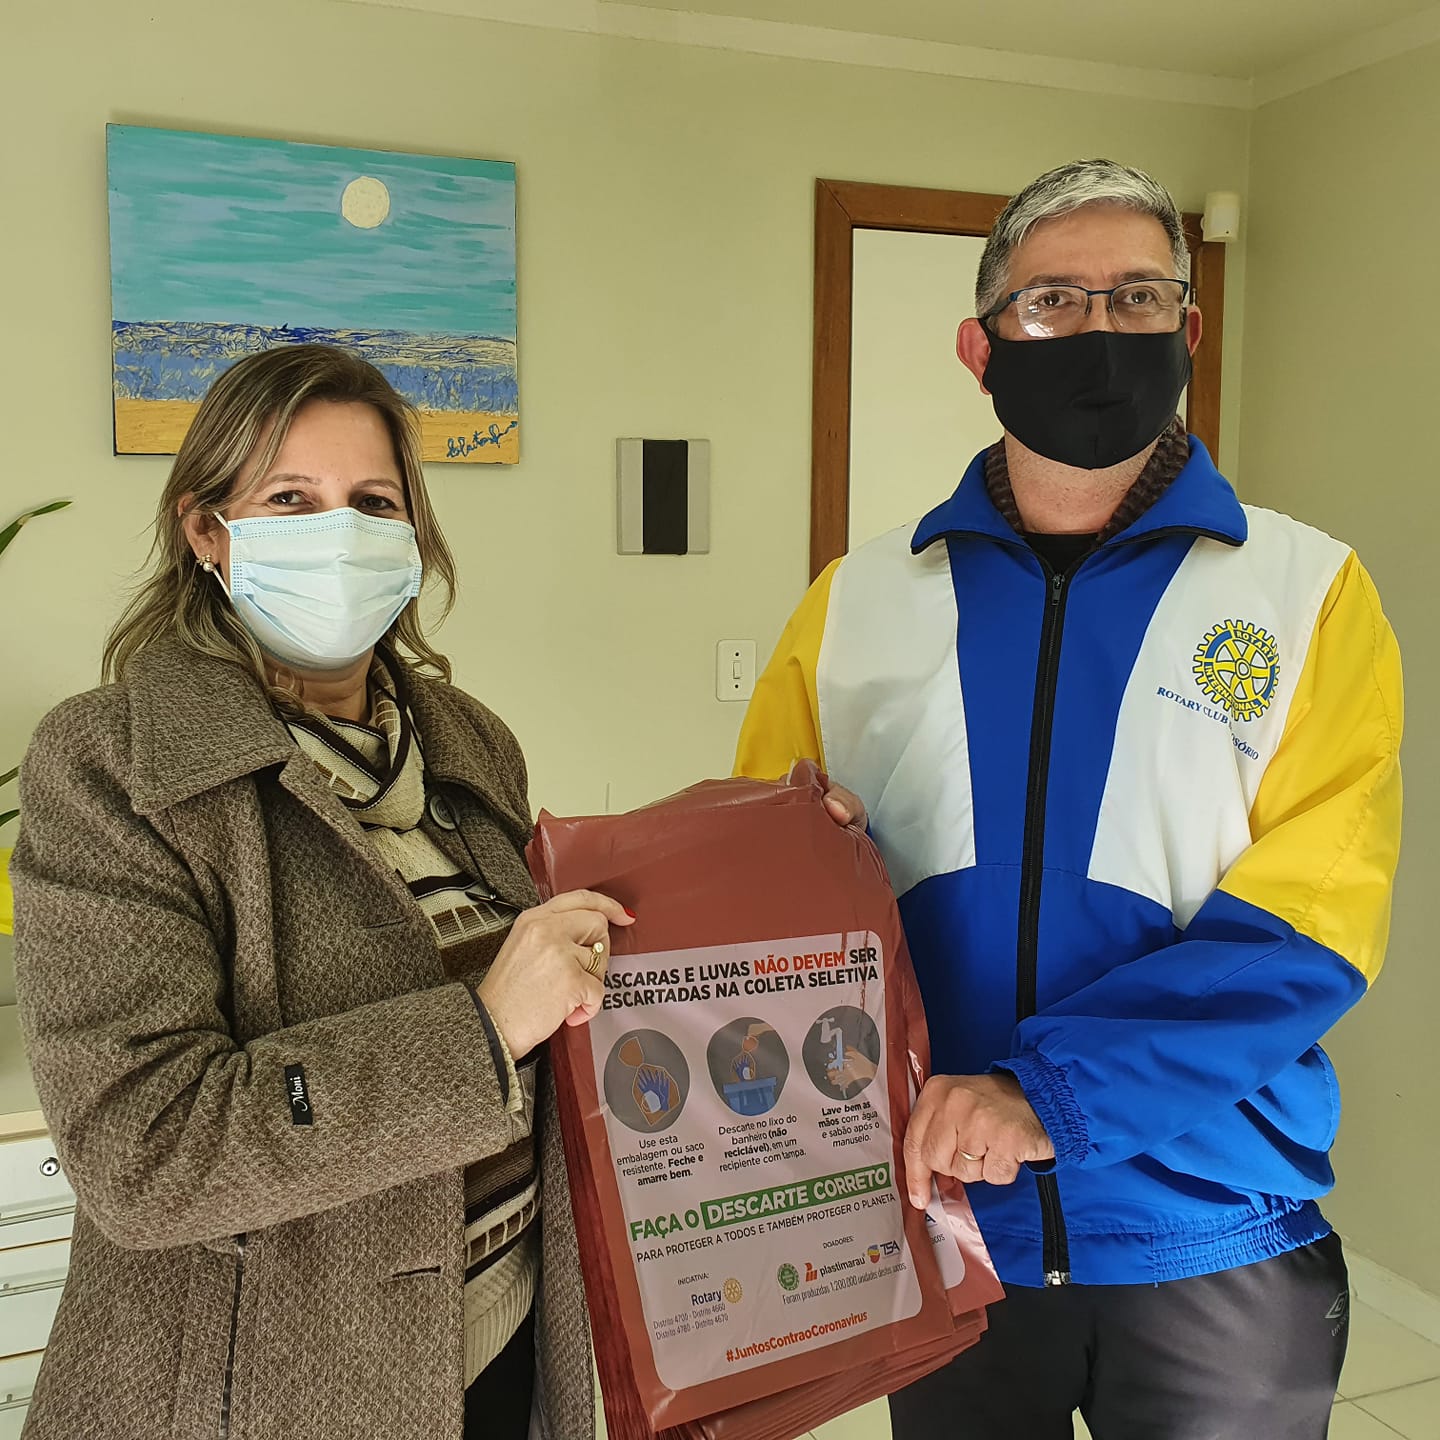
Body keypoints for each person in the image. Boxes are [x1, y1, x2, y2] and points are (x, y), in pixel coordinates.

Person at [735, 159, 1403, 1438]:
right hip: (951, 1231)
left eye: (1137, 296)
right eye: (1051, 304)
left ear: (1189, 334)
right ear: (981, 350)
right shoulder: (854, 605)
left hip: (1212, 1235)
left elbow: (1312, 930)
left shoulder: (1307, 595)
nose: (1097, 331)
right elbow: (772, 909)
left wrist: (1053, 1096)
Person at [10, 344, 631, 1440]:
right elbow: (147, 1151)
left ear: (411, 539)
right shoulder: (112, 767)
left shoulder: (471, 743)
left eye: (372, 502)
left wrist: (776, 854)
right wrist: (480, 1031)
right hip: (264, 1391)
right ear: (209, 533)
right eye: (290, 500)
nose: (337, 533)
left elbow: (564, 980)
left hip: (509, 1346)